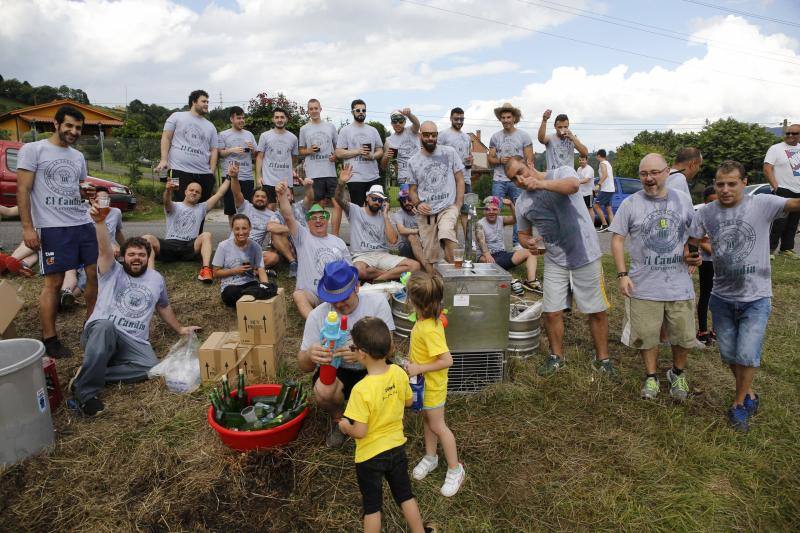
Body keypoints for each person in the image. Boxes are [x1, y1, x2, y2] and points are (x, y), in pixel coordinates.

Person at [688, 160, 800, 432]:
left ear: (744, 182)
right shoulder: (706, 212)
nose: (725, 189)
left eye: (731, 184)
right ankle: (749, 394)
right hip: (722, 297)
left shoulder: (761, 204)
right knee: (729, 355)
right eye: (720, 184)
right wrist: (692, 254)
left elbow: (794, 204)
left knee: (747, 354)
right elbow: (693, 238)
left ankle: (738, 405)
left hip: (756, 297)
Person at [69, 201, 199, 416]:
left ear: (148, 257)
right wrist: (100, 223)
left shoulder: (156, 279)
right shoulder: (112, 271)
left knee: (152, 369)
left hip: (134, 341)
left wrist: (180, 329)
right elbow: (103, 250)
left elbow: (163, 306)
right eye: (131, 254)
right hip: (101, 332)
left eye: (141, 255)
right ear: (123, 257)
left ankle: (90, 372)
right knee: (105, 326)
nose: (136, 258)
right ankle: (85, 393)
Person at [506, 156, 618, 379]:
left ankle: (603, 360)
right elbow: (523, 233)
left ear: (530, 164)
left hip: (585, 254)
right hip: (555, 259)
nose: (520, 179)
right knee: (551, 311)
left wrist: (540, 183)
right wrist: (527, 242)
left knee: (596, 311)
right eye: (514, 178)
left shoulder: (561, 173)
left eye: (521, 171)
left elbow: (573, 185)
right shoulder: (522, 203)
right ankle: (556, 357)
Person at [609, 153, 696, 401]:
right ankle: (651, 377)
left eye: (654, 172)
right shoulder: (631, 203)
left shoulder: (682, 201)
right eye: (644, 174)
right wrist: (622, 274)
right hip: (643, 285)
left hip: (678, 284)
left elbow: (694, 232)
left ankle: (677, 373)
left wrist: (693, 253)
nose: (649, 178)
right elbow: (616, 239)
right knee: (646, 336)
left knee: (683, 335)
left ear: (667, 171)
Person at [16, 104, 98, 359]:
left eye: (78, 128)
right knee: (54, 282)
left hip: (82, 223)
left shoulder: (78, 156)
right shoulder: (34, 150)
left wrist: (88, 193)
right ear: (56, 124)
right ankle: (50, 339)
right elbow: (23, 190)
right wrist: (29, 228)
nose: (73, 131)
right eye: (69, 126)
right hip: (53, 227)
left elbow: (81, 187)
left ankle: (92, 329)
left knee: (94, 274)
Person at [338, 317, 429, 533]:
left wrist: (344, 427)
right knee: (405, 495)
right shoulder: (398, 373)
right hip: (396, 448)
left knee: (372, 507)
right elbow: (408, 401)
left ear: (361, 354)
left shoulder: (361, 390)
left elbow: (360, 431)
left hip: (369, 457)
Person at [297, 260, 395, 448]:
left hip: (373, 367)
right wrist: (310, 354)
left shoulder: (377, 304)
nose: (340, 304)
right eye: (334, 300)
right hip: (338, 369)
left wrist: (365, 351)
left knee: (392, 386)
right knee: (323, 391)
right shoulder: (318, 316)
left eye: (344, 298)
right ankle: (339, 420)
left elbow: (390, 349)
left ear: (357, 287)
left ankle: (374, 422)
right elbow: (302, 366)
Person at [404, 271, 465, 498]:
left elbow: (447, 360)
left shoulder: (429, 329)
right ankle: (431, 457)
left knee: (439, 426)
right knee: (428, 421)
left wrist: (419, 368)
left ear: (413, 301)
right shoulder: (424, 321)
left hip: (433, 386)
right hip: (423, 385)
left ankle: (455, 468)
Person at [275, 180, 350, 319]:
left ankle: (339, 320)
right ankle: (316, 325)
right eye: (313, 218)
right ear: (307, 222)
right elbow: (288, 216)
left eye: (322, 217)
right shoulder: (302, 236)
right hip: (311, 293)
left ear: (327, 220)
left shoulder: (338, 242)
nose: (318, 221)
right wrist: (282, 195)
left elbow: (348, 270)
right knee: (298, 295)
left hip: (334, 291)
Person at [141, 170, 230, 282]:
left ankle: (206, 270)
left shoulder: (202, 208)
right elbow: (166, 201)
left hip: (189, 246)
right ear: (185, 192)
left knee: (206, 235)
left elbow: (220, 193)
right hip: (170, 245)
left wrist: (229, 177)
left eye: (197, 192)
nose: (194, 193)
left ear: (200, 196)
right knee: (147, 238)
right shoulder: (174, 206)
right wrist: (168, 190)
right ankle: (151, 275)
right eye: (191, 190)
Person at [335, 172, 420, 281]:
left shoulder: (383, 216)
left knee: (415, 266)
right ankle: (390, 275)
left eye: (380, 200)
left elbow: (393, 240)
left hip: (382, 255)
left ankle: (378, 279)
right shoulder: (355, 210)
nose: (376, 202)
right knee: (359, 270)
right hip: (362, 256)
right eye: (374, 198)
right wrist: (341, 183)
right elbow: (337, 198)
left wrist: (385, 216)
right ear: (367, 198)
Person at [407, 121, 465, 272]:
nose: (430, 138)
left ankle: (458, 276)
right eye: (427, 135)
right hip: (426, 213)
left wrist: (457, 206)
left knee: (446, 232)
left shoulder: (449, 152)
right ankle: (437, 286)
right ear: (420, 136)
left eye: (434, 134)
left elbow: (460, 180)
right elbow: (412, 190)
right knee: (431, 257)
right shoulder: (413, 162)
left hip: (448, 207)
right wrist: (418, 204)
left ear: (437, 135)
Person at [154, 90, 218, 203]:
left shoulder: (211, 126)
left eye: (208, 102)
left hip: (204, 174)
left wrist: (211, 172)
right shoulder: (176, 116)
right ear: (194, 102)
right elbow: (166, 138)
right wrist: (163, 160)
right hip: (177, 171)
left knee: (200, 209)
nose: (207, 104)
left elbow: (214, 150)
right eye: (203, 101)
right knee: (177, 206)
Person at [487, 102, 534, 247]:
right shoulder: (495, 137)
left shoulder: (524, 136)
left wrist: (527, 177)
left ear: (514, 118)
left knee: (520, 210)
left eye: (508, 117)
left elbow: (529, 160)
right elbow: (490, 159)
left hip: (517, 180)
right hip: (499, 179)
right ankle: (494, 241)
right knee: (494, 208)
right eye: (503, 117)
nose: (506, 120)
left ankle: (517, 242)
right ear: (500, 119)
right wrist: (500, 160)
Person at [476, 196, 541, 293]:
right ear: (484, 211)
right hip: (485, 257)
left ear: (498, 210)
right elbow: (481, 241)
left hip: (502, 255)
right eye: (488, 209)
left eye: (494, 209)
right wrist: (487, 254)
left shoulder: (501, 219)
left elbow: (516, 219)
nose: (491, 212)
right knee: (487, 262)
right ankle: (509, 279)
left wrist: (511, 205)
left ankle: (531, 281)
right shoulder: (479, 224)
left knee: (529, 252)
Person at [298, 98, 342, 235]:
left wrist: (336, 156)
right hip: (314, 173)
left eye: (316, 108)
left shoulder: (330, 127)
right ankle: (318, 235)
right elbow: (301, 150)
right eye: (311, 109)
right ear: (308, 111)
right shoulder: (304, 129)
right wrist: (309, 150)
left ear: (320, 109)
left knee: (337, 204)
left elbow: (338, 147)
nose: (314, 111)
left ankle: (335, 237)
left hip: (329, 172)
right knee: (318, 206)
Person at [228, 162, 281, 268]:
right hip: (235, 246)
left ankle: (243, 268)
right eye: (257, 196)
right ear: (252, 198)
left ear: (267, 200)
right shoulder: (245, 206)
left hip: (253, 252)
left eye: (263, 197)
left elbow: (276, 233)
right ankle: (252, 269)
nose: (260, 199)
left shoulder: (272, 215)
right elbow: (237, 193)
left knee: (273, 258)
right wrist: (234, 177)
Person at [212, 213, 271, 307]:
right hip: (231, 285)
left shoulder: (256, 247)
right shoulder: (223, 246)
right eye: (237, 229)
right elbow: (215, 273)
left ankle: (248, 301)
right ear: (232, 229)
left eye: (244, 228)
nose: (241, 232)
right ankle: (250, 301)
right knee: (231, 293)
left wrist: (265, 286)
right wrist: (234, 271)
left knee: (265, 288)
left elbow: (261, 269)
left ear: (250, 228)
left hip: (249, 283)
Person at [335, 99, 384, 206]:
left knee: (375, 208)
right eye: (358, 110)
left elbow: (380, 150)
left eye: (363, 110)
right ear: (352, 112)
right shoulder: (345, 130)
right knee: (357, 210)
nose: (361, 112)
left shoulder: (373, 130)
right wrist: (358, 151)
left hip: (373, 176)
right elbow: (338, 153)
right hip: (355, 177)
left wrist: (372, 156)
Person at [438, 107, 474, 241]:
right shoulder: (443, 135)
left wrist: (470, 161)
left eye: (461, 119)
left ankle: (468, 245)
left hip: (466, 179)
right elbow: (436, 155)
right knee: (452, 213)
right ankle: (453, 245)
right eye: (456, 119)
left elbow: (469, 156)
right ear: (451, 119)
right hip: (449, 180)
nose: (459, 121)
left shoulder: (467, 137)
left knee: (466, 212)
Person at [765, 123, 800, 259]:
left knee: (793, 222)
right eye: (788, 133)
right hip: (783, 190)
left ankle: (786, 249)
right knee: (779, 221)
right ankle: (769, 250)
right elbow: (767, 168)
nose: (790, 136)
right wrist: (776, 187)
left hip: (798, 191)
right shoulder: (775, 149)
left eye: (794, 133)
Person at [217, 106, 257, 223]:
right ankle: (232, 236)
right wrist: (231, 150)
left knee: (248, 209)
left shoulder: (249, 134)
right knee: (231, 210)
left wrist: (252, 149)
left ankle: (247, 236)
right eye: (238, 118)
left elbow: (255, 155)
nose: (242, 120)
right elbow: (219, 153)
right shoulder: (223, 134)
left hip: (247, 176)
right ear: (231, 119)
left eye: (243, 118)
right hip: (229, 176)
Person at [256, 107, 299, 200]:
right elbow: (259, 157)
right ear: (273, 119)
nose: (279, 120)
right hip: (268, 181)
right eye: (277, 117)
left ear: (286, 119)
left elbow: (294, 157)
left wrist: (293, 169)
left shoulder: (293, 138)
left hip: (286, 181)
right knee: (269, 209)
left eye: (282, 117)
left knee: (287, 208)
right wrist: (258, 177)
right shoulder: (265, 136)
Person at [696, 186, 717, 346]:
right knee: (706, 295)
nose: (714, 204)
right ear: (705, 202)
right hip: (708, 263)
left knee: (721, 297)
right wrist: (720, 255)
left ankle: (717, 330)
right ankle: (702, 330)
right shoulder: (703, 216)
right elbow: (702, 242)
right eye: (710, 201)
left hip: (724, 265)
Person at [380, 108, 420, 186]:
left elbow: (417, 124)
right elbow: (383, 166)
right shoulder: (389, 140)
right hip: (404, 177)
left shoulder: (411, 131)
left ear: (405, 122)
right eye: (395, 121)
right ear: (391, 123)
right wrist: (386, 157)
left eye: (400, 121)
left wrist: (409, 115)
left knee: (422, 197)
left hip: (419, 173)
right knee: (406, 198)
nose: (398, 123)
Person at [393, 186, 425, 264]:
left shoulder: (422, 211)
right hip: (406, 244)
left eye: (409, 199)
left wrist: (419, 216)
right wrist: (418, 231)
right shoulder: (398, 214)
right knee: (411, 236)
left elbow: (429, 229)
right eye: (403, 200)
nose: (407, 202)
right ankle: (425, 266)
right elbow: (402, 230)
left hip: (424, 242)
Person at [593, 149, 615, 231]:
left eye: (596, 156)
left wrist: (598, 185)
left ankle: (604, 224)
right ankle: (612, 228)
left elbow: (605, 175)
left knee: (596, 205)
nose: (596, 158)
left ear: (599, 156)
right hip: (610, 189)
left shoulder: (602, 163)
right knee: (608, 208)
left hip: (607, 189)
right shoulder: (608, 163)